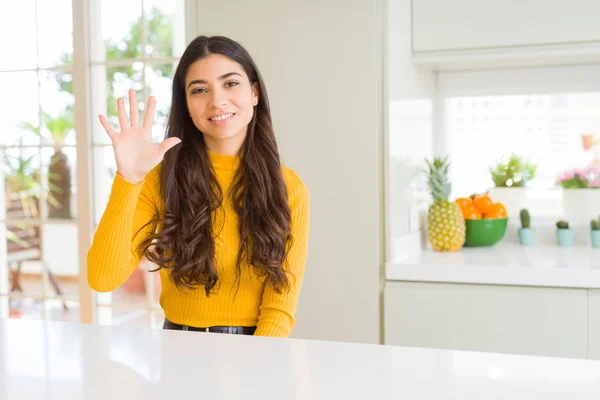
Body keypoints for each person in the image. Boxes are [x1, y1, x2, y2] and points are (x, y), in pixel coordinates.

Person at [87, 35, 310, 338]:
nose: (217, 100)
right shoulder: (159, 180)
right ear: (187, 106)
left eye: (230, 83)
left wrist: (258, 364)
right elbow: (102, 278)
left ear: (254, 92)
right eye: (200, 90)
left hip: (256, 348)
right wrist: (128, 179)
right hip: (178, 347)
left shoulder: (288, 187)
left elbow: (280, 308)